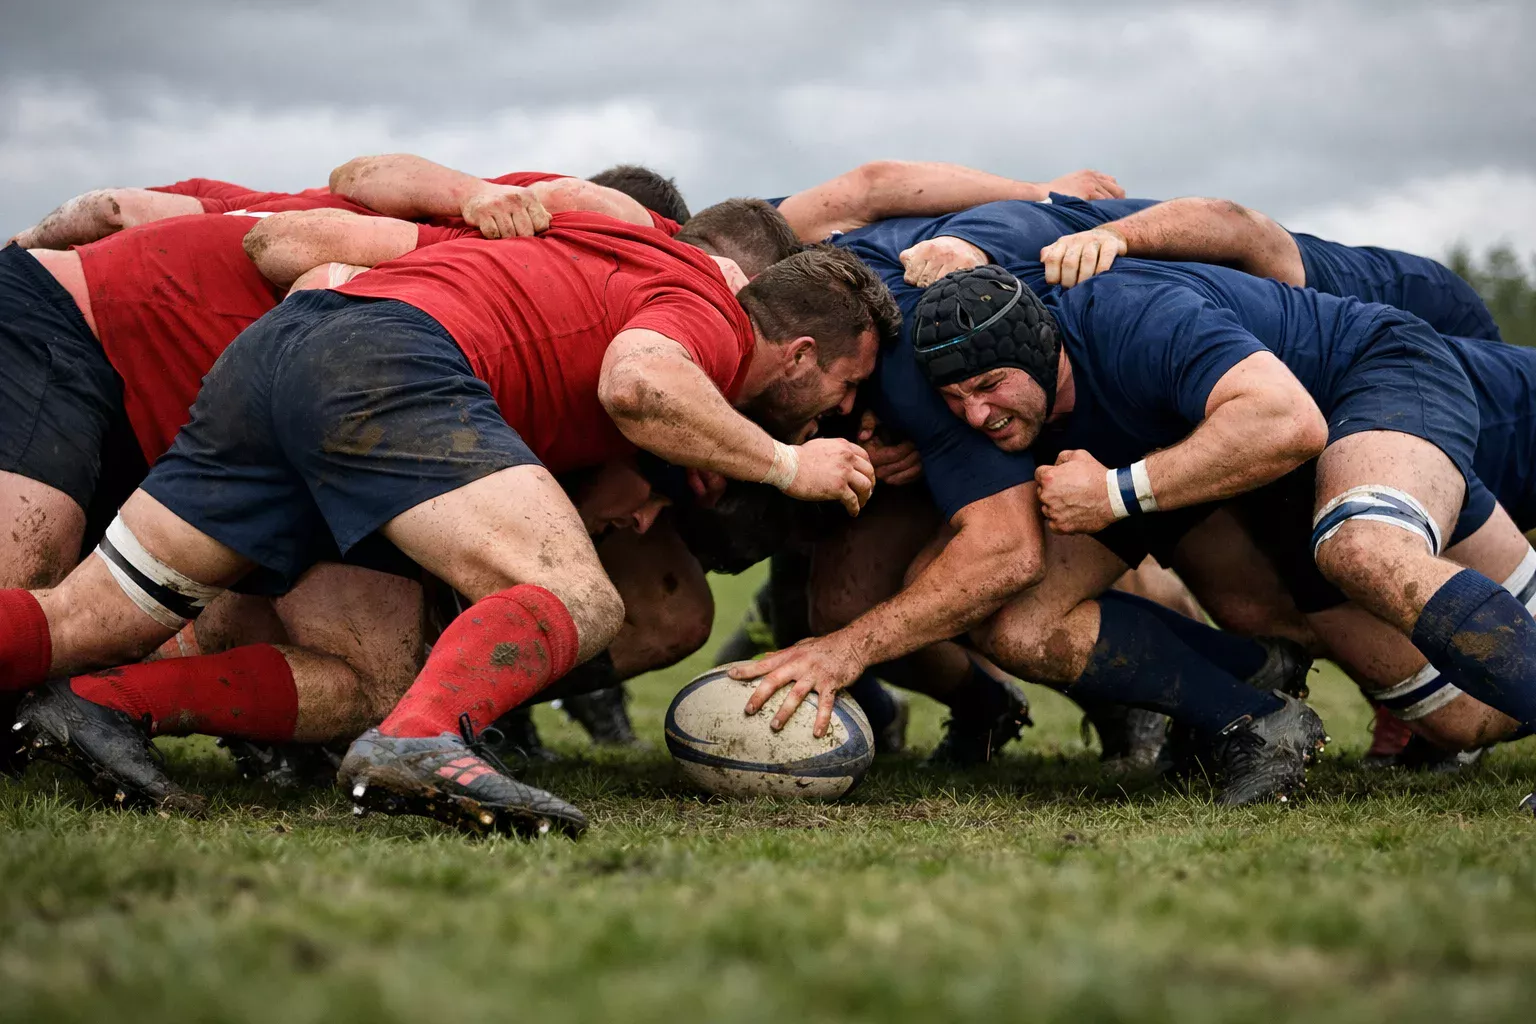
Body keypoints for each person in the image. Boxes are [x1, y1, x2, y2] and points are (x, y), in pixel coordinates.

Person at [2, 218, 896, 837]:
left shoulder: (622, 241)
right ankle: (421, 743)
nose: (842, 411)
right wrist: (788, 466)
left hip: (281, 354)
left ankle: (100, 704)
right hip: (387, 359)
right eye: (845, 389)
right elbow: (640, 384)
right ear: (801, 352)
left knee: (85, 622)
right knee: (575, 595)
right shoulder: (704, 305)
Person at [904, 257, 1536, 808]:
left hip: (1360, 381)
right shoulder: (1010, 400)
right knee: (1019, 624)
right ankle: (1254, 713)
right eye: (956, 400)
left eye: (990, 386)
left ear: (1042, 350)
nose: (976, 414)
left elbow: (1286, 422)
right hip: (1233, 455)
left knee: (1363, 549)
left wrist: (1114, 493)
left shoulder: (1130, 315)